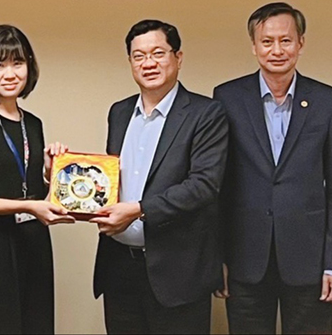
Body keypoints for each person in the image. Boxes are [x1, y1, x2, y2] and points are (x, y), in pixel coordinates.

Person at [213, 3, 332, 334]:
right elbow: (218, 186)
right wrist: (216, 257)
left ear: (301, 43)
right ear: (254, 46)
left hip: (310, 262)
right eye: (267, 41)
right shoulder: (228, 98)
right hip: (244, 259)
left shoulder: (328, 101)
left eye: (286, 41)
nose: (277, 50)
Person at [92, 19, 229, 334]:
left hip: (177, 271)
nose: (148, 63)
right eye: (138, 56)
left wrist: (139, 209)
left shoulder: (206, 113)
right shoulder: (120, 111)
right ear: (130, 62)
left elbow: (203, 185)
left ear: (178, 58)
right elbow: (113, 177)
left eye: (157, 53)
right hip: (119, 267)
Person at [0, 24, 74, 334]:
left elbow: (33, 191)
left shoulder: (32, 124)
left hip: (32, 245)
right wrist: (29, 206)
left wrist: (50, 171)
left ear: (29, 67)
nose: (10, 73)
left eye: (17, 63)